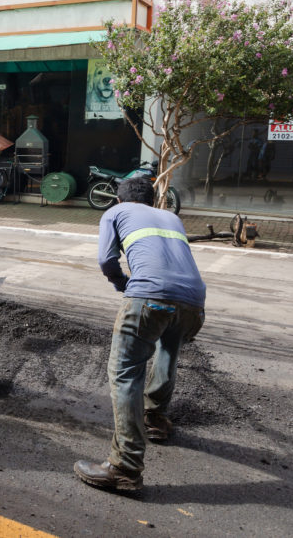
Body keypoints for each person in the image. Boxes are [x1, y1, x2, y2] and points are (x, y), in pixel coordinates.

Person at [74, 176, 206, 492]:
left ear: (119, 200)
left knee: (124, 373)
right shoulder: (172, 217)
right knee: (167, 351)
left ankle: (125, 467)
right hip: (194, 303)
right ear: (152, 200)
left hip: (150, 297)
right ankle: (156, 419)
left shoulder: (115, 213)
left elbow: (107, 260)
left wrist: (122, 283)